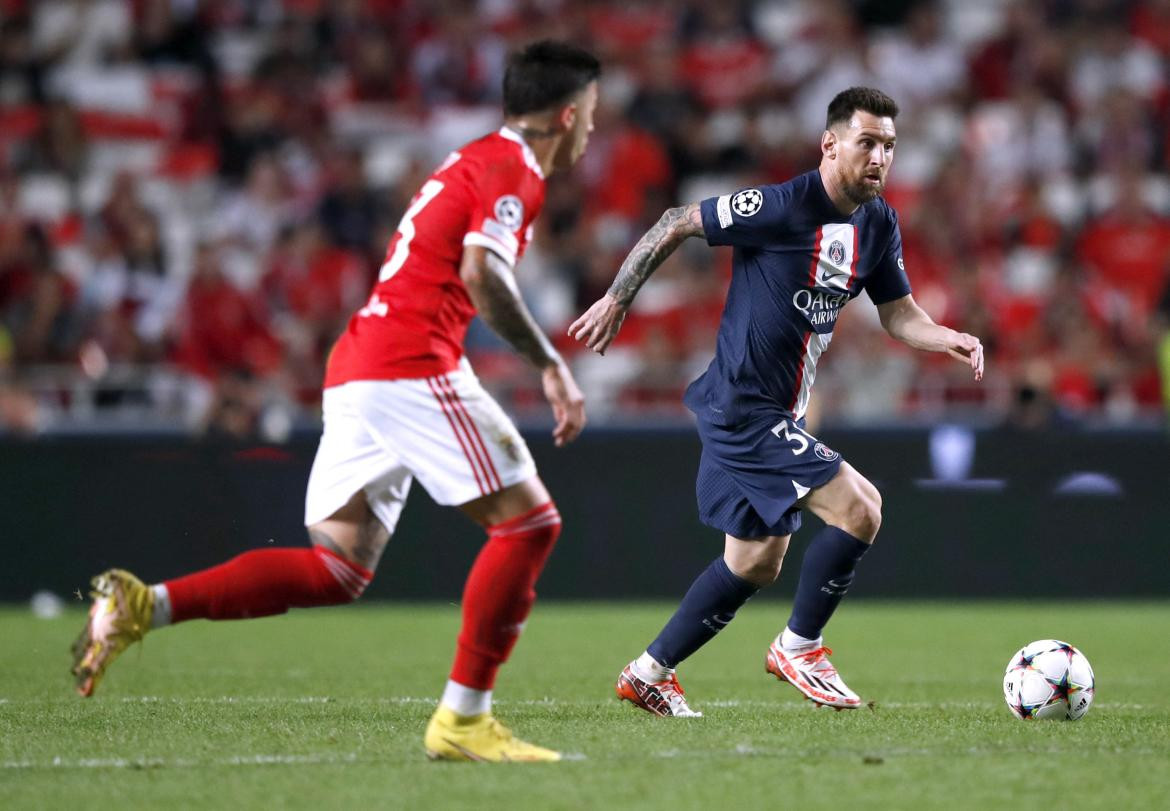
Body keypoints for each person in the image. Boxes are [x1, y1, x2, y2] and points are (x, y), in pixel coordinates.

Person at [71, 40, 601, 762]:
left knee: (337, 568)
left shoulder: (474, 155)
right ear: (567, 115)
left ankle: (143, 604)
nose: (594, 132)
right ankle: (464, 720)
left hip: (360, 362)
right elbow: (482, 271)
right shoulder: (515, 170)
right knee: (530, 525)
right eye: (593, 117)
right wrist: (550, 365)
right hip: (411, 363)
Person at [570, 87, 983, 717]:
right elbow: (676, 220)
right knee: (862, 508)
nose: (880, 158)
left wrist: (945, 336)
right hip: (743, 408)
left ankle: (648, 672)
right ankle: (800, 646)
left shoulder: (877, 222)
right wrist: (618, 298)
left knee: (756, 561)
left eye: (890, 147)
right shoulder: (781, 205)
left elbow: (898, 315)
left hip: (775, 414)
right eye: (867, 142)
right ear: (830, 144)